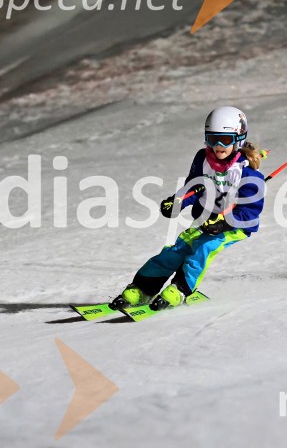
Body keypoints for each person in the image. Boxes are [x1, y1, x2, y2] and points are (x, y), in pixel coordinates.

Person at [110, 106, 266, 311]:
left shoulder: (249, 175)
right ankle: (142, 289)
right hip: (206, 219)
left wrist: (224, 222)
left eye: (225, 140)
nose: (218, 146)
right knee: (176, 251)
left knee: (204, 247)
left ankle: (180, 289)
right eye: (212, 139)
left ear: (239, 138)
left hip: (233, 226)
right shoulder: (203, 159)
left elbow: (250, 214)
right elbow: (193, 188)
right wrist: (177, 202)